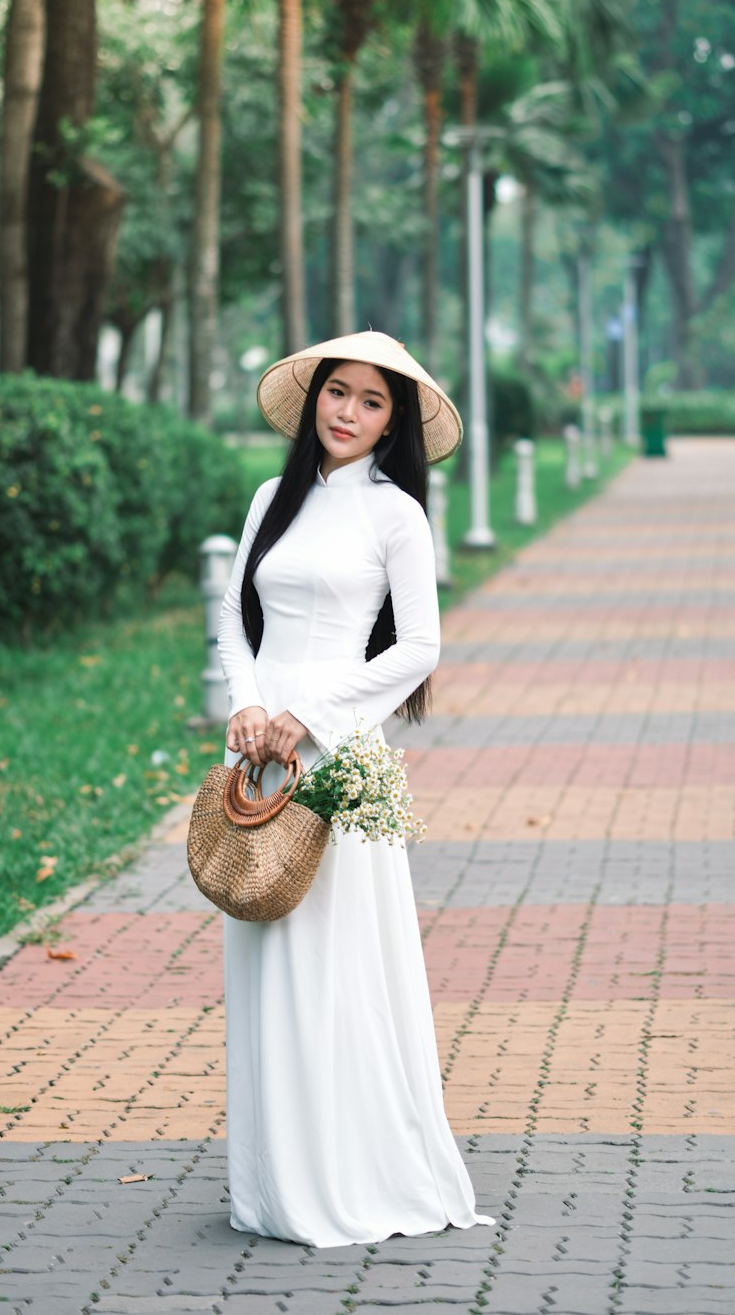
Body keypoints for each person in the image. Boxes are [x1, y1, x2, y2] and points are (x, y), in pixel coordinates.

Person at [216, 329, 494, 1249]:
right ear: (315, 398)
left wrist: (312, 717)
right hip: (261, 752)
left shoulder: (395, 515)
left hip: (339, 754)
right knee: (265, 958)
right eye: (339, 393)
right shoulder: (272, 498)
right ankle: (274, 1184)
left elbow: (420, 647)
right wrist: (250, 705)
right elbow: (235, 613)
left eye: (373, 403)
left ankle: (350, 1172)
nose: (349, 413)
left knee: (336, 965)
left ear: (394, 423)